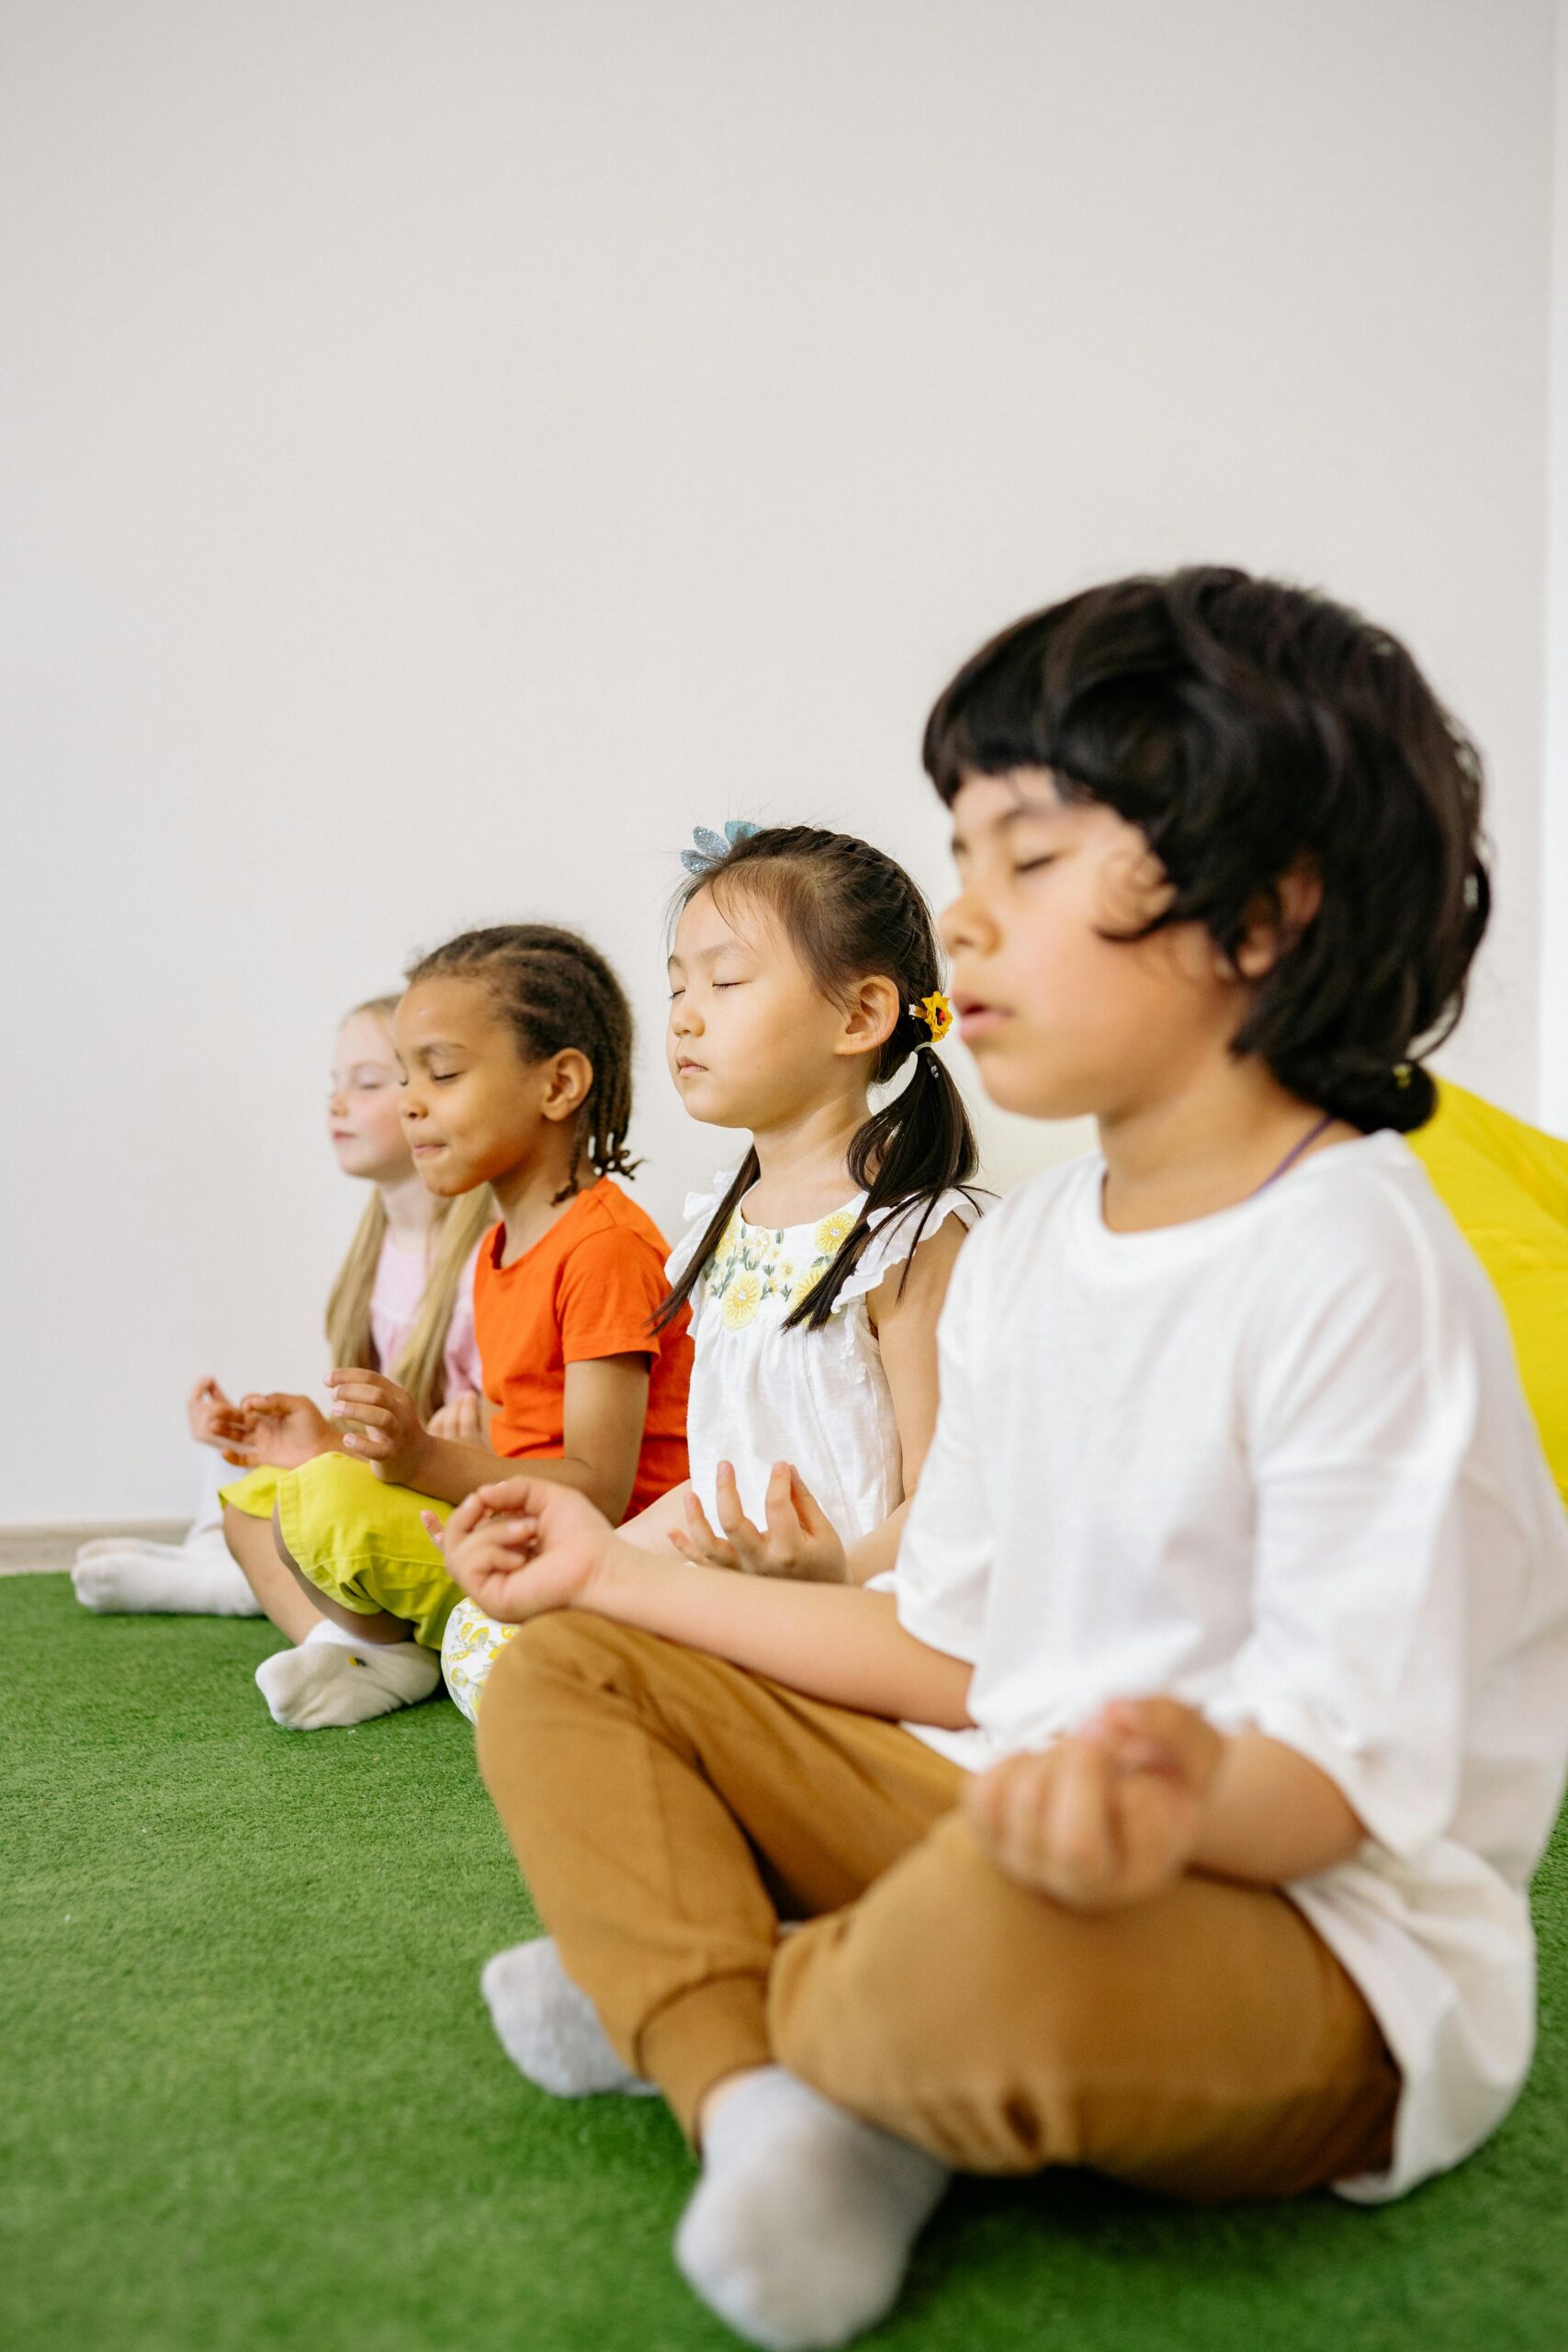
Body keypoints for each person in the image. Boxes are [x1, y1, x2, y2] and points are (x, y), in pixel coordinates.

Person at [437, 570, 1568, 2351]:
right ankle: (766, 2101)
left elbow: (1353, 1778)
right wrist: (612, 1575)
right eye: (958, 860)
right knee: (570, 1672)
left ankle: (707, 1991)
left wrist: (1169, 1791)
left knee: (988, 1918)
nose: (963, 918)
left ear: (1263, 913)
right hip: (1001, 1807)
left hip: (1317, 1946)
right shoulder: (1032, 1254)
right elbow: (947, 1653)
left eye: (1024, 862)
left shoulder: (1357, 1260)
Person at [439, 823, 984, 1727]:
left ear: (860, 1015)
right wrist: (603, 1557)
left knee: (599, 1683)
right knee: (491, 1637)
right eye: (678, 987)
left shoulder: (911, 1234)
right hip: (731, 1572)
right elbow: (722, 1465)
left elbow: (951, 1505)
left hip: (863, 1598)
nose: (685, 1015)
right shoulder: (717, 1226)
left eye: (725, 983)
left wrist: (828, 1578)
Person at [233, 924, 693, 1733]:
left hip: (590, 1555)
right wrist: (361, 1443)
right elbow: (510, 1444)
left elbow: (599, 1492)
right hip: (509, 1524)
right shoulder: (492, 1247)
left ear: (558, 1086)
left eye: (440, 1073)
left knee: (319, 1501)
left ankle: (395, 1654)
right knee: (264, 1494)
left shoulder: (605, 1248)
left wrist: (420, 1456)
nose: (411, 1100)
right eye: (406, 1075)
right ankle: (381, 1652)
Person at [71, 995, 490, 1619]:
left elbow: (473, 1440)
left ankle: (233, 1580)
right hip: (394, 1469)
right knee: (248, 1451)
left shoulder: (479, 1259)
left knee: (306, 1487)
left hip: (443, 1492)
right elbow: (364, 1423)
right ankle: (215, 1549)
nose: (337, 1102)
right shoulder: (377, 1250)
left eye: (368, 1083)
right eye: (334, 1084)